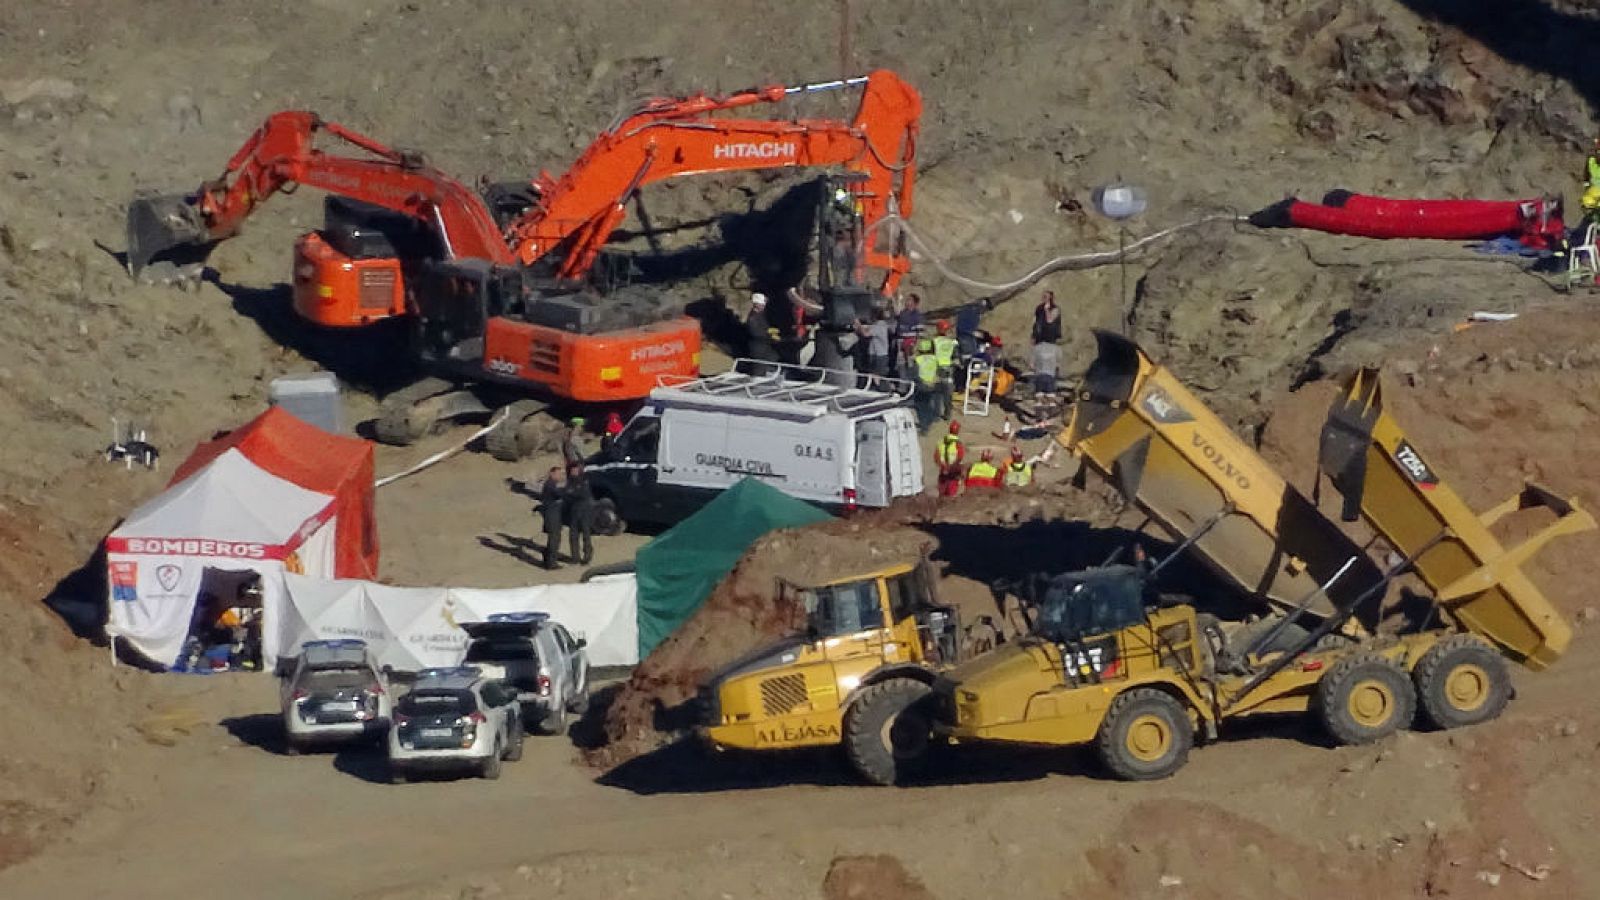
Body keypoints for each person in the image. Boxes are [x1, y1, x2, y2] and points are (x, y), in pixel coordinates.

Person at [564, 462, 595, 565]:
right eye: (572, 470)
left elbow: (582, 493)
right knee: (573, 535)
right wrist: (571, 492)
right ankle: (575, 557)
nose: (573, 472)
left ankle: (587, 556)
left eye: (575, 470)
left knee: (586, 534)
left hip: (585, 510)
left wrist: (572, 492)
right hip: (574, 511)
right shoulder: (570, 481)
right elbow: (566, 494)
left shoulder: (584, 479)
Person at [538, 466, 566, 570]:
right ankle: (551, 563)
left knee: (553, 539)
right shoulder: (550, 485)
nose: (560, 476)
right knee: (554, 539)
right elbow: (558, 494)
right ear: (552, 474)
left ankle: (548, 560)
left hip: (553, 515)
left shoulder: (551, 484)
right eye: (558, 474)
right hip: (551, 515)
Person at [911, 338, 941, 431]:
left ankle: (924, 426)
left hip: (921, 386)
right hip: (932, 385)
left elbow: (915, 375)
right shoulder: (935, 358)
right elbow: (938, 372)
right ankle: (929, 421)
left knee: (920, 406)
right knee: (928, 404)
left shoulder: (918, 360)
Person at [931, 320, 958, 417]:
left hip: (937, 368)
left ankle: (936, 412)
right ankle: (947, 413)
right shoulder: (952, 342)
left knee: (936, 391)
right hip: (949, 369)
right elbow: (956, 356)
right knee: (948, 393)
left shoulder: (934, 341)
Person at [745, 292, 779, 366]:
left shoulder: (761, 315)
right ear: (756, 304)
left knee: (774, 358)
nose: (764, 306)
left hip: (765, 346)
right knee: (759, 367)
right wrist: (770, 335)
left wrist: (772, 331)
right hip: (758, 348)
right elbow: (756, 333)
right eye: (762, 305)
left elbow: (764, 327)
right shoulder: (753, 318)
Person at [935, 420, 966, 497]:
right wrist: (950, 467)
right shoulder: (958, 443)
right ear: (958, 431)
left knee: (942, 493)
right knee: (952, 494)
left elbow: (936, 457)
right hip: (954, 472)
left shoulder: (940, 442)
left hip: (943, 471)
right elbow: (959, 458)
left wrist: (943, 467)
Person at [864, 308, 893, 377]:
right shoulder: (883, 325)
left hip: (879, 356)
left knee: (877, 377)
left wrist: (859, 326)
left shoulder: (878, 326)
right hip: (881, 355)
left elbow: (866, 334)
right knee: (877, 376)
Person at [1584, 137, 1600, 224]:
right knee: (1588, 203)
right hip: (1593, 191)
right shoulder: (1591, 159)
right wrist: (1586, 184)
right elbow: (1586, 173)